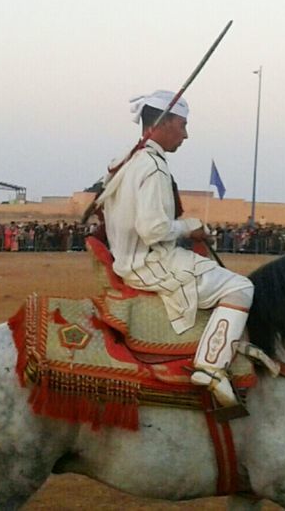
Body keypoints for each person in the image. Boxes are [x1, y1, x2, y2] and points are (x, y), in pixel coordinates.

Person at [96, 91, 254, 413]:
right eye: (182, 125)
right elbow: (153, 229)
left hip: (133, 257)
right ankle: (211, 366)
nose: (185, 134)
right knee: (241, 287)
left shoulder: (125, 161)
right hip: (151, 262)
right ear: (164, 123)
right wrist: (191, 228)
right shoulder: (152, 167)